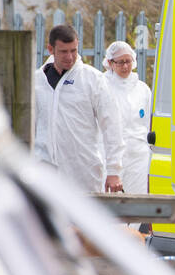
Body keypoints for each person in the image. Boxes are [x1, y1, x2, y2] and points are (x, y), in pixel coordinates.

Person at [33, 24, 124, 193]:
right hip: (44, 172)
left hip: (83, 172)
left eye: (73, 50)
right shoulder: (37, 81)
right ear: (50, 49)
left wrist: (114, 171)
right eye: (63, 51)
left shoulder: (92, 79)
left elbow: (112, 126)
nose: (70, 57)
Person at [102, 40, 152, 195]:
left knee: (137, 199)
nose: (125, 66)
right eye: (120, 62)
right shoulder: (103, 86)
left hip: (139, 155)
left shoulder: (142, 89)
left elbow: (148, 122)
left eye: (128, 61)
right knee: (111, 202)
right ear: (110, 63)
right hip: (111, 154)